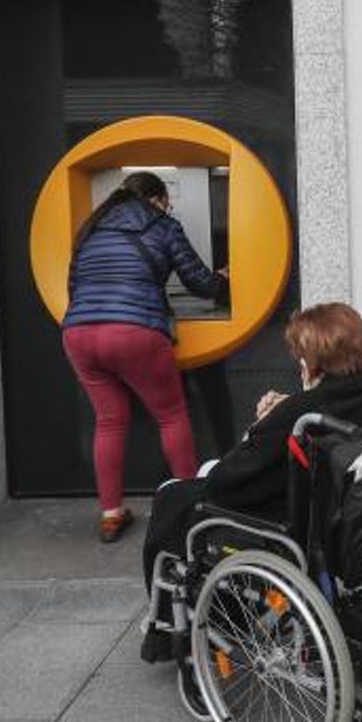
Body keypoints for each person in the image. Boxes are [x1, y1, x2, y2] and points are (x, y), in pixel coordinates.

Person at [139, 302, 362, 661]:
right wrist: (286, 410)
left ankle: (173, 627)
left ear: (312, 363)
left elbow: (227, 482)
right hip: (352, 510)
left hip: (294, 517)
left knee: (173, 496)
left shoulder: (299, 413)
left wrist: (262, 426)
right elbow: (329, 411)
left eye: (300, 357)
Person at [62, 171, 228, 543]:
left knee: (109, 421)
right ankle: (189, 509)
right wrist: (223, 278)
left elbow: (74, 287)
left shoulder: (91, 229)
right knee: (171, 415)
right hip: (133, 330)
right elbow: (198, 282)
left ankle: (110, 513)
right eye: (166, 201)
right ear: (155, 199)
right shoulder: (163, 225)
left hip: (79, 332)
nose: (168, 207)